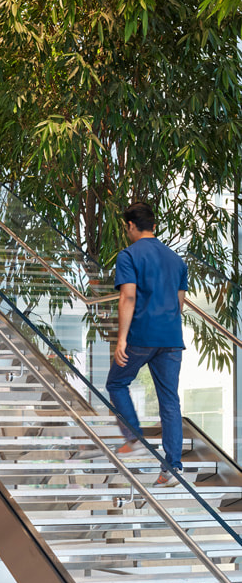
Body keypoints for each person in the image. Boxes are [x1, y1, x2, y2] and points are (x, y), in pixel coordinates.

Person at [105, 202, 188, 488]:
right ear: (152, 225)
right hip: (171, 339)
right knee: (170, 400)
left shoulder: (128, 255)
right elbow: (179, 303)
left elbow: (127, 297)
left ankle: (133, 438)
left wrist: (122, 339)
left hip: (141, 335)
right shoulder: (176, 260)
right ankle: (173, 467)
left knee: (116, 383)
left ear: (130, 225)